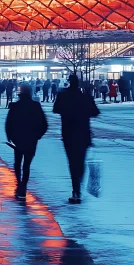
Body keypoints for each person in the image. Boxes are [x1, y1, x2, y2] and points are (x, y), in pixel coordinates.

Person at [53, 73, 100, 204]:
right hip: (83, 133)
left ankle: (76, 189)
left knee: (72, 162)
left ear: (69, 82)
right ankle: (78, 186)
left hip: (68, 133)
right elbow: (95, 112)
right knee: (81, 161)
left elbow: (55, 109)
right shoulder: (85, 96)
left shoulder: (63, 96)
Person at [5, 83, 48, 199]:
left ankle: (19, 183)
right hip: (31, 139)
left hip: (18, 139)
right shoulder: (36, 106)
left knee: (17, 163)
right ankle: (24, 185)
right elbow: (44, 124)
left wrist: (10, 136)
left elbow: (8, 122)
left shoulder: (15, 106)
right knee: (27, 164)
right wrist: (37, 135)